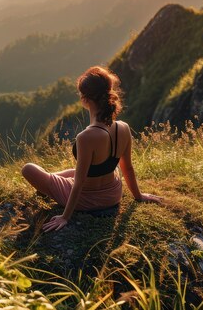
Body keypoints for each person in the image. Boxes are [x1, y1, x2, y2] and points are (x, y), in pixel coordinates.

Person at [20, 66, 162, 232]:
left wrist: (65, 217)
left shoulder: (85, 137)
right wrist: (139, 196)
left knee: (28, 169)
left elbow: (79, 184)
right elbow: (127, 167)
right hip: (113, 194)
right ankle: (51, 181)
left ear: (84, 99)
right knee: (73, 172)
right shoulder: (123, 127)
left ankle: (48, 183)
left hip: (87, 199)